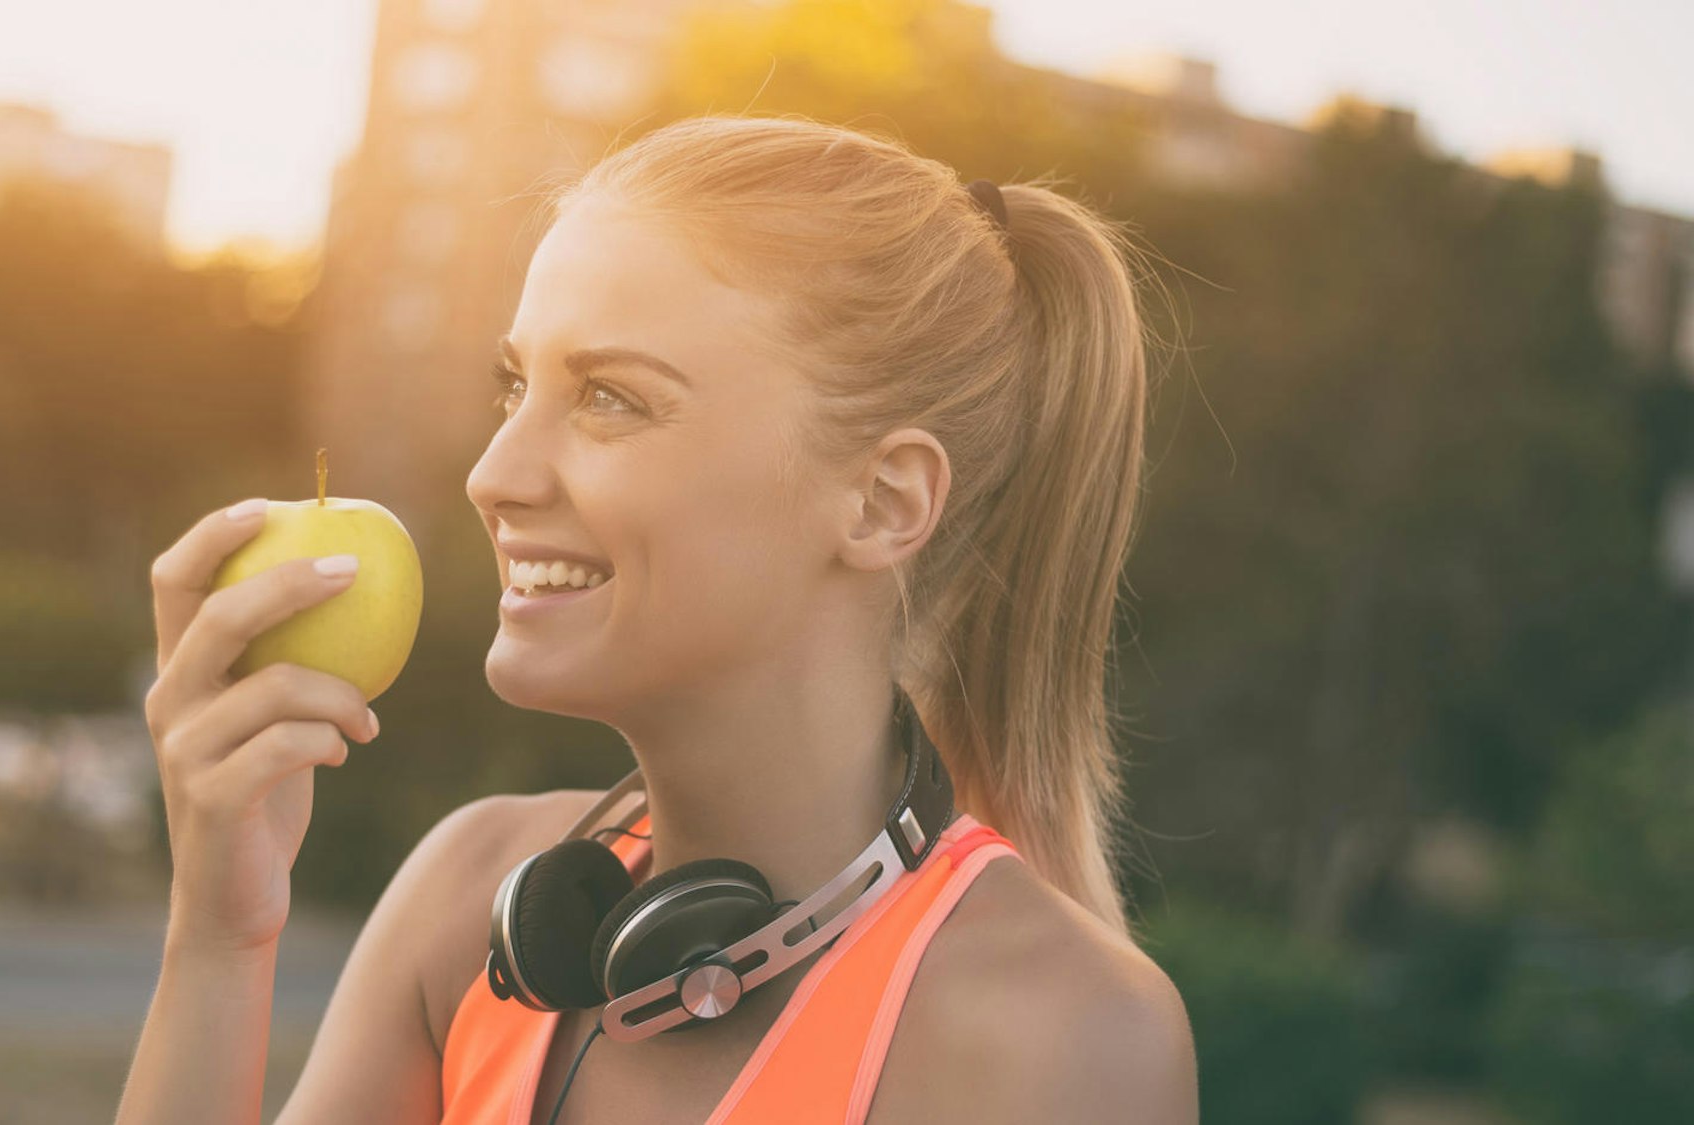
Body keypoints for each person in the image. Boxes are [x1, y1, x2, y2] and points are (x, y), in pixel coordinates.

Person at [118, 113, 1196, 1124]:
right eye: (514, 387)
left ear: (880, 501)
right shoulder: (465, 899)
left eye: (609, 399)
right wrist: (220, 938)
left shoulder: (1053, 1038)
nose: (493, 475)